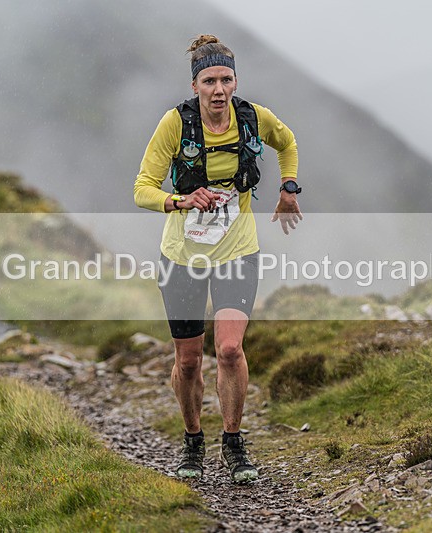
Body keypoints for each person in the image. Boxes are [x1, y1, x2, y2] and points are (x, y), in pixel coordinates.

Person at [133, 34, 302, 483]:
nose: (219, 89)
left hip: (237, 250)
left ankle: (233, 442)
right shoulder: (175, 124)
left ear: (235, 82)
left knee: (229, 349)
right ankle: (192, 440)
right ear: (195, 86)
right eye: (209, 80)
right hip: (182, 255)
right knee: (188, 361)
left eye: (226, 79)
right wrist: (180, 201)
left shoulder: (253, 118)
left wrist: (288, 189)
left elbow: (287, 143)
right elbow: (142, 189)